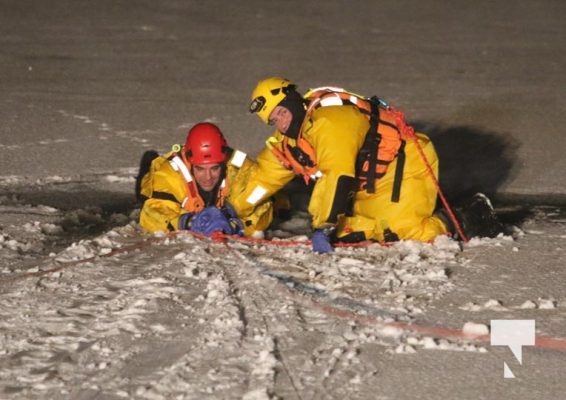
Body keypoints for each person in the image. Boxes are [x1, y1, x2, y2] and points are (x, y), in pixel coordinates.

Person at [231, 77, 502, 253]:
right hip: (369, 182)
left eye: (281, 112)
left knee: (407, 232)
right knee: (353, 232)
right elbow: (264, 178)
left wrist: (323, 225)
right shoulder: (290, 141)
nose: (280, 122)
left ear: (291, 101)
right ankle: (419, 207)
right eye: (273, 120)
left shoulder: (331, 122)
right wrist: (232, 210)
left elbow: (337, 176)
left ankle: (467, 215)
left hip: (404, 164)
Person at [136, 122, 273, 238]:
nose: (208, 177)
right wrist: (187, 222)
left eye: (214, 168)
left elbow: (263, 207)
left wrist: (237, 225)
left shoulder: (242, 169)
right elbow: (152, 215)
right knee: (144, 191)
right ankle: (148, 163)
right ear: (190, 163)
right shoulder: (168, 173)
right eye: (200, 169)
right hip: (154, 185)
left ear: (223, 162)